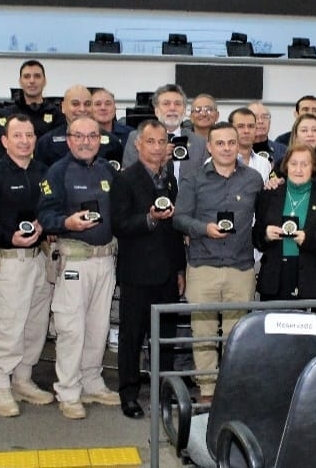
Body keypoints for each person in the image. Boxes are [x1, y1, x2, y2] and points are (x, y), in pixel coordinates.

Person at [38, 115, 123, 419]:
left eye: (92, 136)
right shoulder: (57, 172)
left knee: (98, 327)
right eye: (79, 136)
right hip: (75, 259)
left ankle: (92, 381)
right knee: (72, 328)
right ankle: (69, 390)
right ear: (69, 139)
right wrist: (66, 223)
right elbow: (45, 216)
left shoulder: (107, 171)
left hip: (105, 259)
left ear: (99, 140)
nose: (86, 141)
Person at [172, 121, 263, 402]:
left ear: (239, 146)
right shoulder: (193, 179)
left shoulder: (254, 179)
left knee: (237, 336)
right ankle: (209, 391)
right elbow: (179, 218)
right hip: (203, 265)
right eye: (220, 143)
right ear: (209, 146)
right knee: (204, 334)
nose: (226, 148)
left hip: (241, 266)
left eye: (231, 143)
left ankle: (233, 390)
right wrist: (204, 229)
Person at [0, 113, 55, 417]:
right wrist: (8, 236)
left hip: (39, 257)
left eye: (29, 135)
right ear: (5, 141)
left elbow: (50, 208)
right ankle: (1, 387)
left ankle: (22, 379)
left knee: (36, 323)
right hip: (9, 260)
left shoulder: (43, 172)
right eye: (18, 136)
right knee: (9, 323)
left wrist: (42, 225)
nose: (24, 141)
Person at [111, 120, 185, 419]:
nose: (157, 147)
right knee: (132, 336)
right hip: (136, 273)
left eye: (161, 142)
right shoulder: (125, 180)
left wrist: (180, 268)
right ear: (138, 144)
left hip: (167, 271)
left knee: (164, 335)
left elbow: (175, 231)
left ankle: (162, 391)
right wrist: (150, 218)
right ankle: (128, 394)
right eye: (150, 141)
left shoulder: (169, 180)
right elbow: (119, 224)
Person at [254, 143, 316, 301]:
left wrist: (309, 239)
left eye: (305, 164)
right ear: (286, 166)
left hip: (310, 280)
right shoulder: (269, 194)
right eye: (294, 163)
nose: (298, 169)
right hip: (274, 279)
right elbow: (256, 236)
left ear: (313, 167)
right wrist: (265, 235)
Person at [123, 84, 207, 179]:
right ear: (156, 110)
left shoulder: (199, 143)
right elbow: (128, 177)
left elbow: (204, 181)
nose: (172, 108)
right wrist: (157, 162)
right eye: (166, 104)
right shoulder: (136, 137)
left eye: (178, 104)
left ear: (184, 110)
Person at [38, 84, 124, 167]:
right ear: (63, 107)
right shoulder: (46, 143)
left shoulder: (112, 143)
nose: (82, 109)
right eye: (75, 104)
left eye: (87, 104)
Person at [10, 59, 63, 137]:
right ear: (20, 82)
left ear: (44, 81)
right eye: (27, 76)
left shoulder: (56, 114)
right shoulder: (9, 113)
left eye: (37, 76)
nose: (32, 81)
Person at [228, 107, 272, 180]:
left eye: (251, 126)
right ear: (230, 129)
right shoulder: (216, 162)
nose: (246, 131)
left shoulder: (264, 163)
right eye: (240, 126)